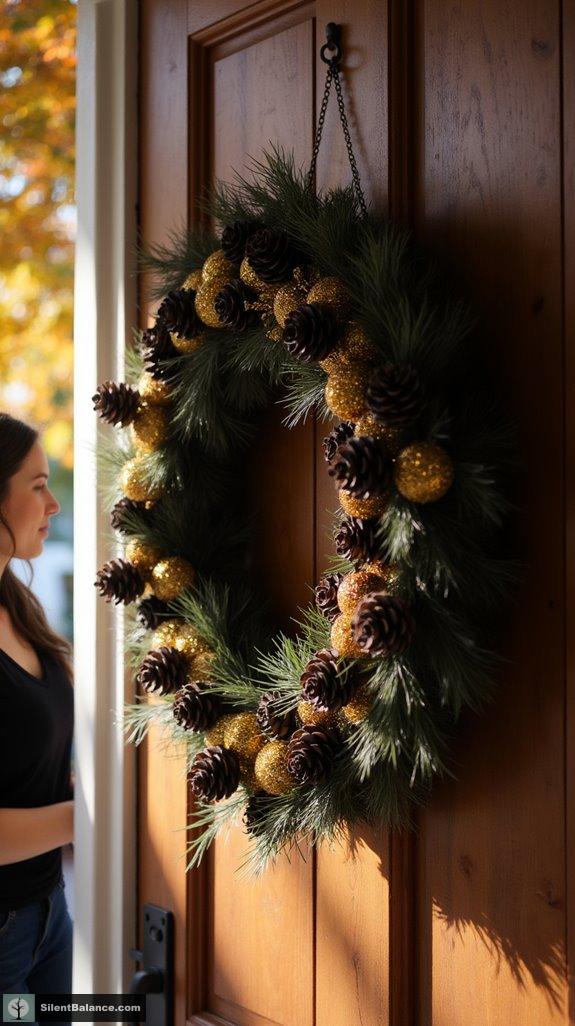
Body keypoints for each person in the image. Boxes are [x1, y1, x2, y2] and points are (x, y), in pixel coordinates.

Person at [0, 413, 74, 1012]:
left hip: (50, 913)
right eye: (37, 484)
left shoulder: (18, 602)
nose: (52, 505)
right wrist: (101, 815)